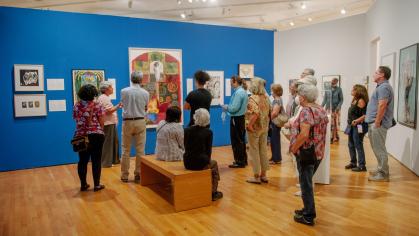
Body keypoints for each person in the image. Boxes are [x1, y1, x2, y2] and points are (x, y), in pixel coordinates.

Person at [290, 84, 328, 226]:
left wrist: (294, 148)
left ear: (303, 97)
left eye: (299, 95)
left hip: (306, 153)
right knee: (306, 182)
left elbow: (304, 134)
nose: (298, 97)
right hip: (318, 152)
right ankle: (307, 208)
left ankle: (308, 215)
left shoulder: (306, 111)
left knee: (305, 185)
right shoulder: (320, 109)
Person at [183, 108, 223, 201]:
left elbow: (185, 146)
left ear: (195, 117)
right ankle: (213, 192)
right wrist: (207, 162)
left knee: (211, 164)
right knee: (214, 165)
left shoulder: (187, 130)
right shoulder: (208, 132)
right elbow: (208, 151)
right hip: (201, 163)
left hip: (187, 162)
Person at [72, 84, 106, 192]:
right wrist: (100, 131)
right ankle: (96, 185)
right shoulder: (97, 105)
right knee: (96, 160)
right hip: (96, 135)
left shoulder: (77, 106)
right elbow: (101, 122)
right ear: (93, 94)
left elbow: (76, 120)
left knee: (82, 160)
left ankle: (83, 184)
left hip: (81, 136)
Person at [365, 66, 394, 182]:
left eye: (376, 72)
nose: (374, 74)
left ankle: (383, 173)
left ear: (382, 75)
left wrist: (377, 122)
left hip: (378, 124)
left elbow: (382, 105)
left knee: (380, 148)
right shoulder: (382, 87)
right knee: (377, 148)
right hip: (375, 123)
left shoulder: (384, 87)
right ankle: (380, 169)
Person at [120, 71, 150, 183]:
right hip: (140, 121)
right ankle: (139, 174)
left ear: (131, 79)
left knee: (125, 149)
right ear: (141, 80)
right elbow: (146, 107)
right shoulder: (145, 93)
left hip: (127, 122)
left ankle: (124, 175)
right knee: (140, 150)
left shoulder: (123, 91)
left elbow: (123, 104)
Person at [245, 77, 271, 184]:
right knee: (263, 150)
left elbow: (255, 113)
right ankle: (263, 175)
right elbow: (270, 111)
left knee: (254, 151)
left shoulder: (253, 98)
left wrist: (250, 125)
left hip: (255, 128)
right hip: (264, 127)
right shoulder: (266, 97)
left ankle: (256, 176)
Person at [222, 76, 249, 168]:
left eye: (231, 82)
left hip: (236, 119)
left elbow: (234, 108)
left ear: (235, 82)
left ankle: (239, 161)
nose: (230, 83)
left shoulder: (238, 93)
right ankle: (243, 160)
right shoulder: (243, 92)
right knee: (241, 140)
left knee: (236, 140)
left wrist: (226, 107)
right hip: (241, 118)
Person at [98, 81, 122, 168]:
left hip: (110, 123)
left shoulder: (105, 97)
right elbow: (109, 111)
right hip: (108, 123)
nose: (112, 89)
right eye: (111, 87)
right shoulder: (104, 98)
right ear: (106, 89)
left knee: (114, 142)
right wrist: (118, 106)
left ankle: (113, 160)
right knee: (108, 143)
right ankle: (106, 162)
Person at [345, 85, 369, 172]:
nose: (352, 90)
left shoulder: (361, 101)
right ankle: (353, 162)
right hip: (352, 126)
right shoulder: (354, 100)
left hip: (358, 126)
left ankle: (362, 165)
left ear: (358, 91)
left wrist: (356, 121)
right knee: (350, 144)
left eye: (354, 89)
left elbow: (365, 115)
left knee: (358, 145)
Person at [321, 78, 343, 143]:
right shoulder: (328, 89)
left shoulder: (339, 89)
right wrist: (321, 107)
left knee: (335, 123)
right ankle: (331, 136)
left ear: (337, 82)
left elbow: (341, 100)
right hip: (328, 108)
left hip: (336, 109)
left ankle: (334, 137)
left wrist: (338, 108)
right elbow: (325, 99)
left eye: (334, 82)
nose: (333, 83)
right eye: (332, 82)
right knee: (330, 123)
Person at [269, 84, 284, 164]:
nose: (271, 91)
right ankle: (274, 157)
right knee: (273, 140)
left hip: (275, 122)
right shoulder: (278, 99)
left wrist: (268, 119)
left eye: (272, 90)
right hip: (275, 122)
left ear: (275, 91)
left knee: (275, 140)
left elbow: (275, 113)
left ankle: (276, 159)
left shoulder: (277, 100)